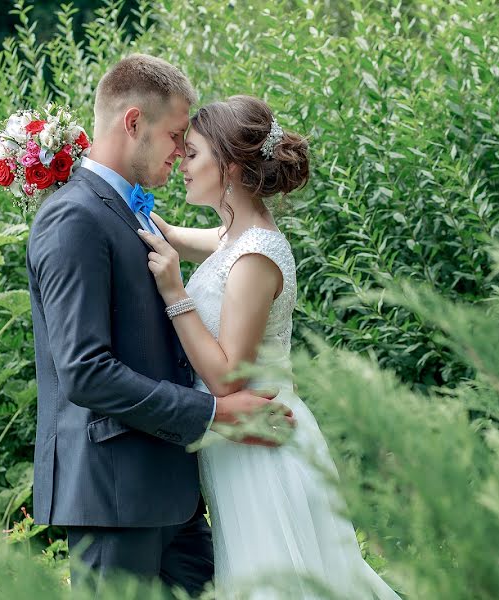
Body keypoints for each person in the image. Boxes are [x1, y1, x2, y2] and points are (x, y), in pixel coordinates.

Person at [26, 56, 294, 597]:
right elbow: (84, 372)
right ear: (132, 124)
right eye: (175, 135)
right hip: (114, 497)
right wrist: (215, 412)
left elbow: (240, 245)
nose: (180, 150)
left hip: (172, 493)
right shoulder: (73, 217)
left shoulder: (135, 212)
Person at [140, 95, 400, 598]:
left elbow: (227, 377)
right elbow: (177, 236)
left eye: (191, 154)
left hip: (264, 448)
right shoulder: (235, 240)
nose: (182, 166)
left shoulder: (257, 254)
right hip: (240, 447)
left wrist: (174, 290)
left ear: (231, 165)